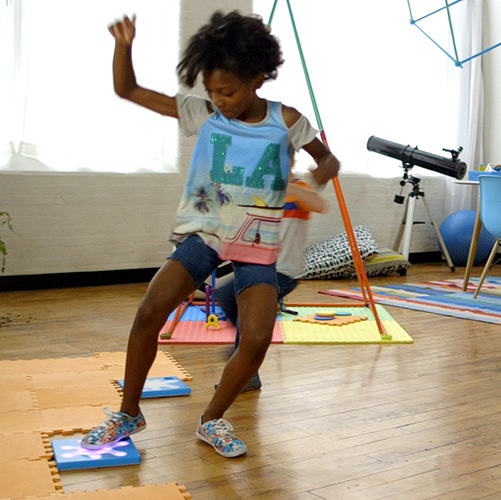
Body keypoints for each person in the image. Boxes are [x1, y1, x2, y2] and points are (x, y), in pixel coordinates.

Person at [81, 11, 340, 458]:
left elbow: (329, 160)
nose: (218, 100)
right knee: (149, 312)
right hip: (206, 233)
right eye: (212, 91)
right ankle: (128, 413)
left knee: (256, 339)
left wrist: (315, 177)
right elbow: (127, 90)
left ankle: (212, 419)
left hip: (257, 244)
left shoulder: (288, 121)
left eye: (228, 91)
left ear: (259, 78)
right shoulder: (203, 113)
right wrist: (124, 45)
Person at [215, 171, 329, 391]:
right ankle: (246, 352)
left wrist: (290, 188)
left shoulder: (299, 187)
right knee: (227, 296)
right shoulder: (262, 190)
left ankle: (246, 371)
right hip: (261, 267)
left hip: (285, 271)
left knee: (246, 313)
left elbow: (321, 205)